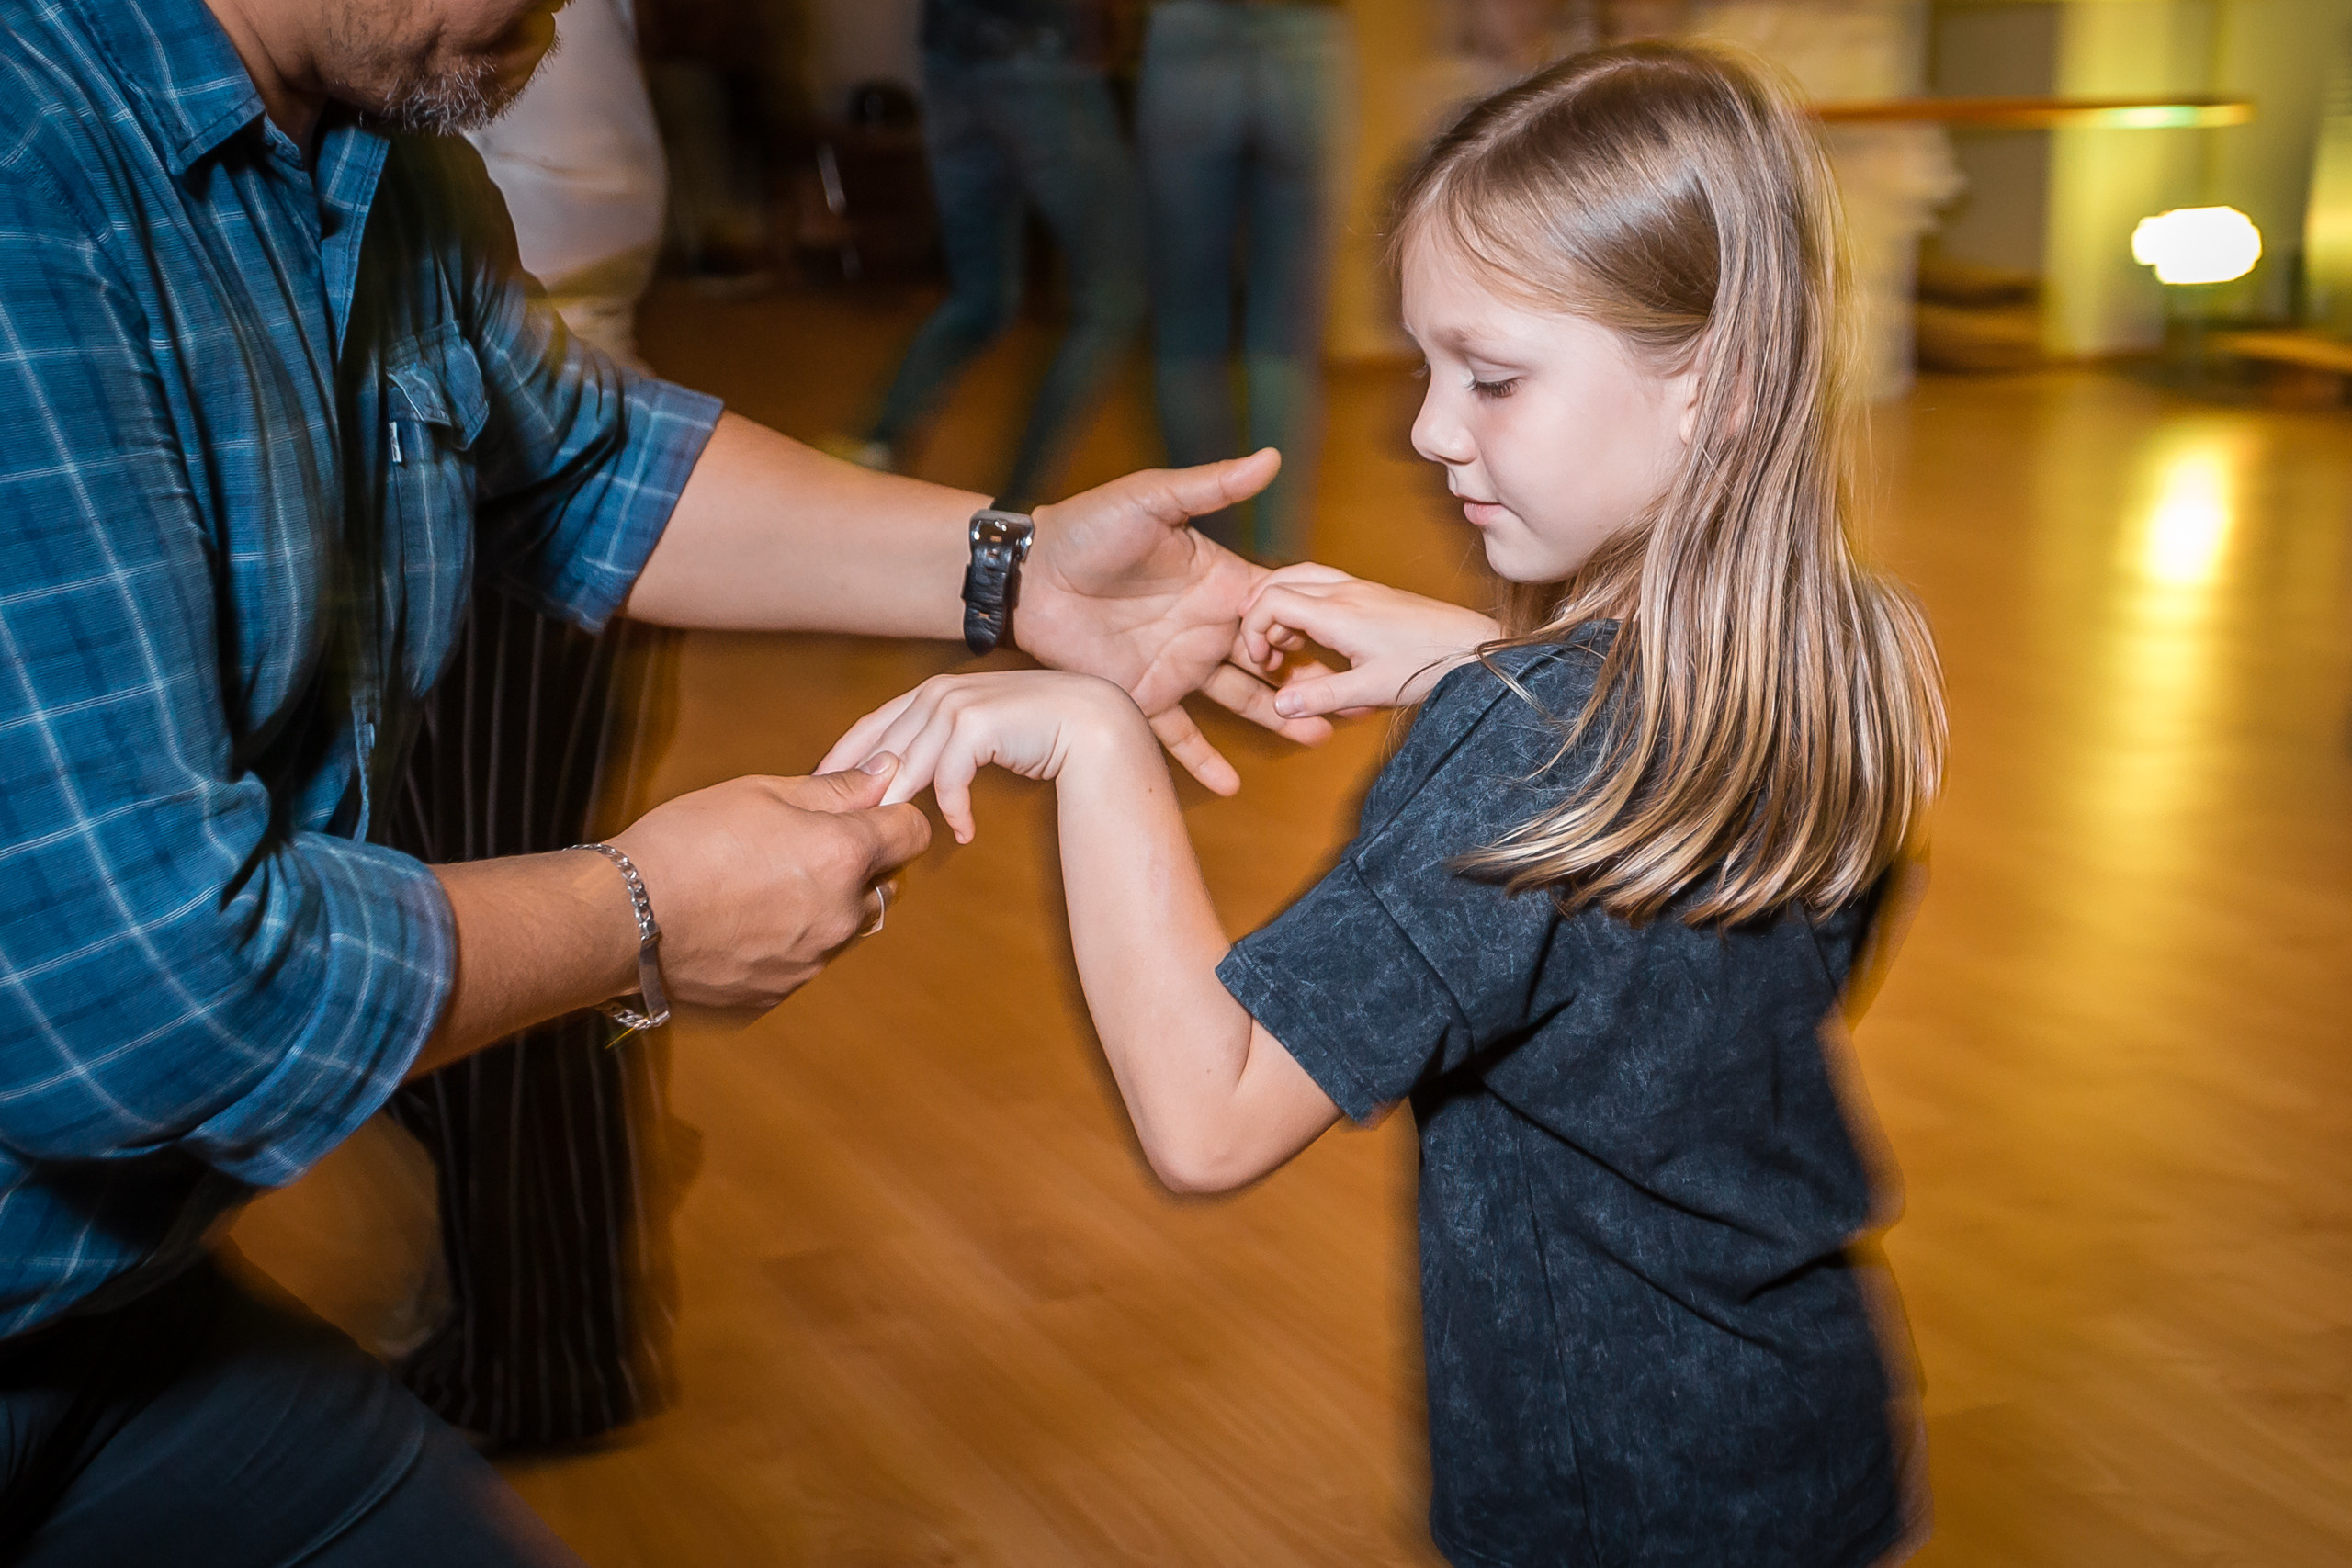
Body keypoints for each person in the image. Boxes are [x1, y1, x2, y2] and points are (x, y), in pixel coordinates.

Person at [0, 0, 1324, 1557]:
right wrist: (639, 910)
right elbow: (147, 992)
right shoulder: (32, 172)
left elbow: (577, 458)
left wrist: (1018, 569)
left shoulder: (377, 166)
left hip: (114, 1314)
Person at [823, 44, 1944, 1565]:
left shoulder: (1521, 753)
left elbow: (1212, 1111)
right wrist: (1486, 659)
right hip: (1812, 1442)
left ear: (1718, 385)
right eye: (1425, 366)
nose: (1426, 428)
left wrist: (1095, 739)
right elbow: (1669, 926)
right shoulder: (1854, 659)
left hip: (1608, 1507)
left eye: (1493, 377)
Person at [381, 0, 686, 1451]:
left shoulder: (442, 92)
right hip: (518, 472)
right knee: (508, 932)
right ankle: (539, 1306)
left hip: (514, 506)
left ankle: (540, 1357)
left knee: (512, 951)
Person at [831, 0, 1147, 507]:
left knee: (980, 300)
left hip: (950, 65)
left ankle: (874, 445)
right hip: (1041, 59)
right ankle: (1015, 510)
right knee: (1112, 300)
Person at [1136, 0, 1353, 560]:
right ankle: (1274, 575)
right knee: (1285, 341)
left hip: (1190, 34)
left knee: (1187, 339)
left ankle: (1206, 568)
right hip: (1305, 34)